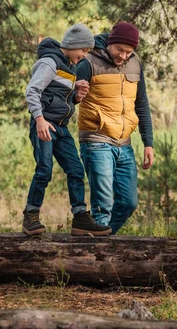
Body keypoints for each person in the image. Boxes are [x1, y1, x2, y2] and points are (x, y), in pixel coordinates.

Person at [23, 23, 112, 236]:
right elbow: (32, 91)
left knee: (75, 169)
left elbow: (59, 97)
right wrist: (40, 119)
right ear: (73, 45)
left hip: (61, 128)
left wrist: (76, 97)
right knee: (44, 170)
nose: (85, 55)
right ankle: (31, 215)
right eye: (83, 50)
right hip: (44, 125)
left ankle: (80, 218)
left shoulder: (69, 67)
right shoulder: (50, 62)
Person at [76, 21, 154, 234]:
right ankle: (98, 257)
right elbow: (67, 93)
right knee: (103, 207)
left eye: (128, 52)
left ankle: (98, 242)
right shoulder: (89, 62)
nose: (123, 56)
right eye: (120, 50)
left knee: (128, 203)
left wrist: (149, 143)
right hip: (96, 140)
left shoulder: (135, 64)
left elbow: (142, 104)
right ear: (111, 42)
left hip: (124, 143)